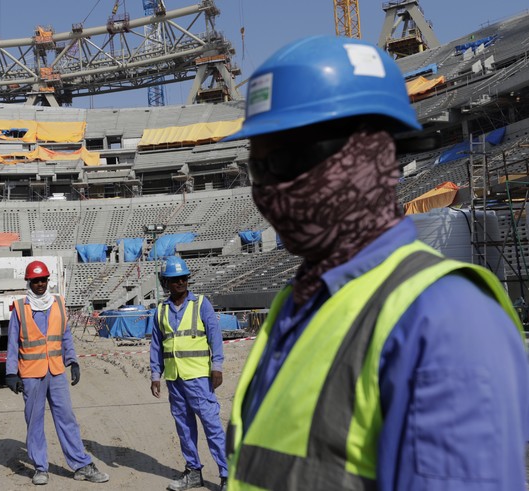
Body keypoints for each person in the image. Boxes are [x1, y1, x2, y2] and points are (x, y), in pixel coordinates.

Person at [223, 35, 529, 490]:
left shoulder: (445, 321)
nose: (269, 189)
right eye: (258, 169)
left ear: (369, 157)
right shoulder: (298, 304)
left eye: (286, 160)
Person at [5, 260, 109, 486]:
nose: (40, 284)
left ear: (48, 281)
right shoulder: (20, 308)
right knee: (34, 421)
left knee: (67, 419)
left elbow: (65, 337)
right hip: (31, 375)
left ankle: (81, 465)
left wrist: (73, 361)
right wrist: (11, 373)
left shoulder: (58, 304)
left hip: (56, 372)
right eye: (36, 281)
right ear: (29, 282)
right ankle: (40, 467)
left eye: (43, 280)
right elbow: (13, 344)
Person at [150, 256, 228, 491]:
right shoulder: (160, 311)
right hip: (175, 380)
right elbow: (156, 345)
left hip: (199, 378)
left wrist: (217, 367)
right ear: (167, 283)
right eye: (175, 280)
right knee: (184, 428)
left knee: (212, 426)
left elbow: (215, 337)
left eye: (183, 278)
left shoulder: (201, 304)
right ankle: (193, 472)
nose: (180, 282)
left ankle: (227, 474)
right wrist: (156, 375)